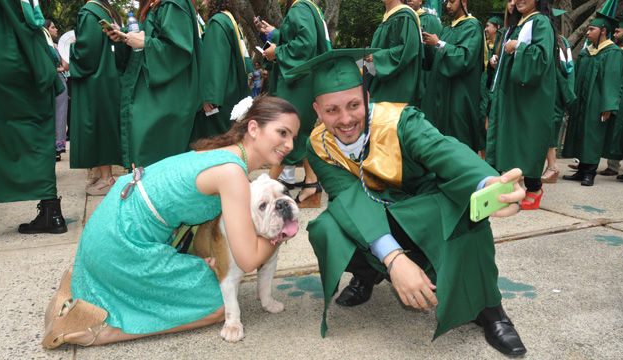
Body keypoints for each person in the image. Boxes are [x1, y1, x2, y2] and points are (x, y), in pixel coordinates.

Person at [289, 49, 527, 356]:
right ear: (317, 111)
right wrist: (394, 260)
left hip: (421, 207)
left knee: (463, 214)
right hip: (371, 216)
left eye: (354, 105)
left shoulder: (400, 122)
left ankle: (488, 308)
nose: (346, 120)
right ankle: (368, 273)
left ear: (367, 97)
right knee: (327, 228)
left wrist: (487, 184)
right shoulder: (317, 145)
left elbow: (445, 151)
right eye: (332, 110)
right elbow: (349, 198)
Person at [41, 97, 300, 349]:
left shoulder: (223, 154)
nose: (289, 144)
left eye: (293, 137)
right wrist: (280, 231)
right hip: (123, 244)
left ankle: (89, 302)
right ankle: (102, 331)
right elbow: (247, 260)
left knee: (209, 282)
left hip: (110, 226)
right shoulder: (233, 173)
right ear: (253, 128)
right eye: (282, 132)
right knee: (218, 305)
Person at [0, 0, 67, 234]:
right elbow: (32, 17)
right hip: (28, 59)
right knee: (38, 132)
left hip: (0, 54)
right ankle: (52, 213)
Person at [106, 0, 204, 169]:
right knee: (143, 155)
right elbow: (151, 35)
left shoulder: (173, 3)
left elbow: (179, 50)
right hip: (153, 92)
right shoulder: (156, 4)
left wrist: (145, 43)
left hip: (165, 97)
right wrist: (124, 36)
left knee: (152, 157)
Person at [253, 0, 330, 208]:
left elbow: (306, 44)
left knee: (286, 133)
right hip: (305, 82)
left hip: (299, 83)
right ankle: (312, 184)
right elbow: (298, 37)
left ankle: (264, 189)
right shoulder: (308, 6)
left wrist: (277, 52)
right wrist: (274, 32)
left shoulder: (299, 8)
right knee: (300, 133)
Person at [486, 0, 559, 209]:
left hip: (531, 96)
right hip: (514, 93)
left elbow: (542, 58)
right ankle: (513, 186)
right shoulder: (519, 23)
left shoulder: (541, 22)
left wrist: (518, 45)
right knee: (512, 140)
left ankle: (534, 188)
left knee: (528, 140)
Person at [70, 0, 126, 196]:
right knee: (101, 124)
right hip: (107, 75)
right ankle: (99, 172)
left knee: (97, 125)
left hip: (95, 80)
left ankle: (107, 178)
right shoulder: (105, 11)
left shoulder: (89, 13)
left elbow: (87, 53)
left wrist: (71, 49)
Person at [562, 12, 623, 186]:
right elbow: (577, 77)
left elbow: (612, 81)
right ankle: (581, 170)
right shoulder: (586, 53)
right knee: (581, 132)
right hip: (581, 100)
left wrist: (608, 105)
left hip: (597, 103)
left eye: (591, 29)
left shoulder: (612, 53)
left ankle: (590, 173)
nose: (587, 33)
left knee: (593, 135)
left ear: (603, 30)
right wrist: (571, 100)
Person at [421, 0, 485, 151]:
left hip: (459, 97)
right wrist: (427, 46)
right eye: (446, 2)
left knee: (458, 141)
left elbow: (463, 58)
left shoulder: (472, 26)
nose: (448, 6)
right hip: (441, 96)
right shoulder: (447, 29)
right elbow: (435, 62)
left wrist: (438, 44)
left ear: (463, 1)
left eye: (452, 1)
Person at [197, 0, 252, 138]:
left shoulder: (218, 21)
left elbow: (215, 61)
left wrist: (208, 96)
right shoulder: (228, 19)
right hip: (232, 91)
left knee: (214, 139)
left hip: (220, 96)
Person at [541, 8, 576, 184]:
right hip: (547, 90)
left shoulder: (560, 42)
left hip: (554, 92)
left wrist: (567, 97)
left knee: (549, 129)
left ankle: (553, 166)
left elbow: (567, 69)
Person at [366, 0, 423, 106]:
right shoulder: (388, 16)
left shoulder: (405, 16)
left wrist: (377, 58)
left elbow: (408, 49)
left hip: (398, 82)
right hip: (381, 78)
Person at [602, 16, 623, 178]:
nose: (615, 33)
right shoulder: (620, 51)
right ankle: (613, 165)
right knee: (617, 129)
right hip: (621, 96)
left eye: (618, 31)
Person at [43, 20, 70, 162]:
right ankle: (56, 149)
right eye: (53, 27)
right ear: (46, 29)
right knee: (59, 114)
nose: (56, 29)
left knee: (55, 114)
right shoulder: (56, 47)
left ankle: (50, 148)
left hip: (48, 81)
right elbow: (66, 65)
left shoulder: (42, 46)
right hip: (57, 81)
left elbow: (66, 67)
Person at [479, 12, 504, 156]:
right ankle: (484, 158)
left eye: (488, 26)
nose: (485, 29)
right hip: (484, 88)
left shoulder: (501, 47)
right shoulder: (485, 46)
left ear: (497, 27)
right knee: (483, 124)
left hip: (493, 90)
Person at [407, 0, 442, 93]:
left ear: (420, 1)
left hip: (423, 75)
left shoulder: (430, 20)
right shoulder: (400, 18)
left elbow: (436, 53)